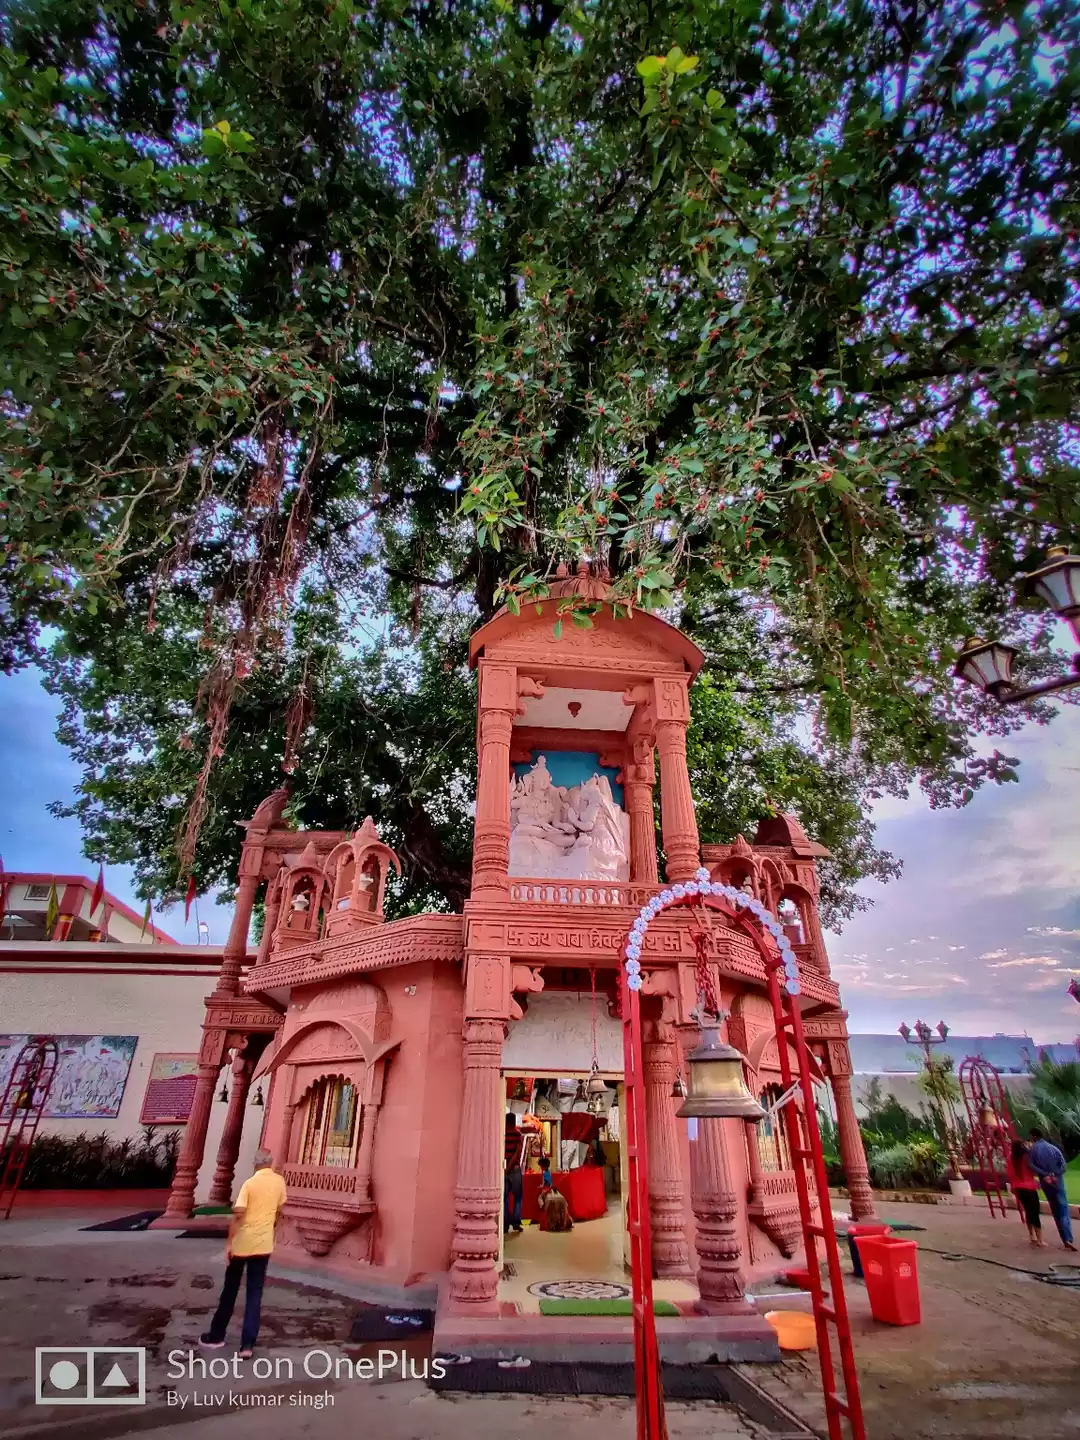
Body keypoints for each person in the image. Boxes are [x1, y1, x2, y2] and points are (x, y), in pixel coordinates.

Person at [200, 1149, 288, 1356]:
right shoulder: (279, 1182)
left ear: (255, 1164)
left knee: (230, 1290)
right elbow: (279, 1212)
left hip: (243, 1243)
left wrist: (229, 1244)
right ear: (271, 1162)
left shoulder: (249, 1184)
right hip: (264, 1244)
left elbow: (237, 1216)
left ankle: (216, 1335)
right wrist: (272, 1232)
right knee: (255, 1293)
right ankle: (247, 1345)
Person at [1028, 1128, 1076, 1251]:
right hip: (1058, 1182)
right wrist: (1055, 1174)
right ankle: (1068, 1238)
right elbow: (1064, 1166)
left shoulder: (1033, 1150)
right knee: (1064, 1208)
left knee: (1055, 1210)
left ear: (1034, 1136)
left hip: (1046, 1182)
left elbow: (1031, 1165)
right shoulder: (1054, 1149)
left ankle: (1064, 1238)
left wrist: (1045, 1174)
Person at [1007, 1139, 1044, 1246]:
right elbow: (1033, 1170)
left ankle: (1031, 1235)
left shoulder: (1010, 1157)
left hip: (1019, 1188)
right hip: (1030, 1188)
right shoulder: (1026, 1157)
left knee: (1028, 1211)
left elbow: (1010, 1174)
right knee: (1035, 1213)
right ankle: (1040, 1240)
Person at [504, 1113, 528, 1234]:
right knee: (518, 1197)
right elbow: (517, 1152)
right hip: (514, 1169)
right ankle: (516, 1222)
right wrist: (510, 1166)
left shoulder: (502, 1135)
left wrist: (505, 1167)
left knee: (505, 1198)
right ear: (514, 1122)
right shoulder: (517, 1134)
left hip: (504, 1169)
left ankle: (505, 1224)